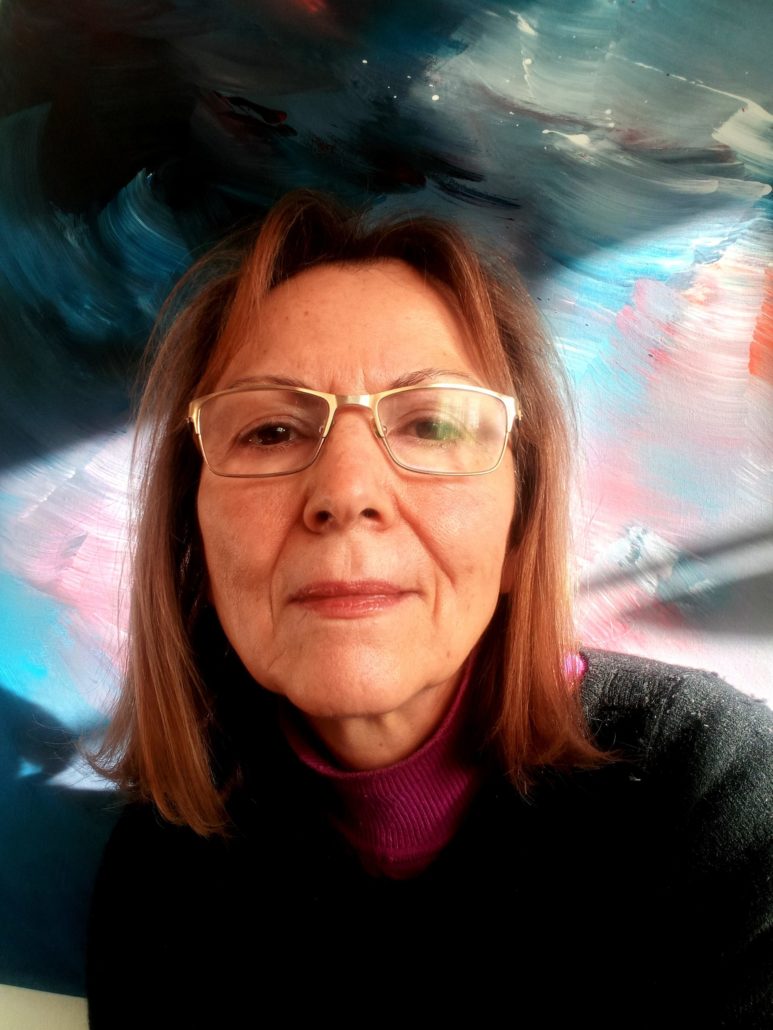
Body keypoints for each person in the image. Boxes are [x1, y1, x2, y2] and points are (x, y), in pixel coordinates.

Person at [87, 191, 773, 1028]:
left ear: (519, 530)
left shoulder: (720, 794)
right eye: (270, 431)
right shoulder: (158, 877)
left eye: (431, 425)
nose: (346, 492)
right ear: (190, 538)